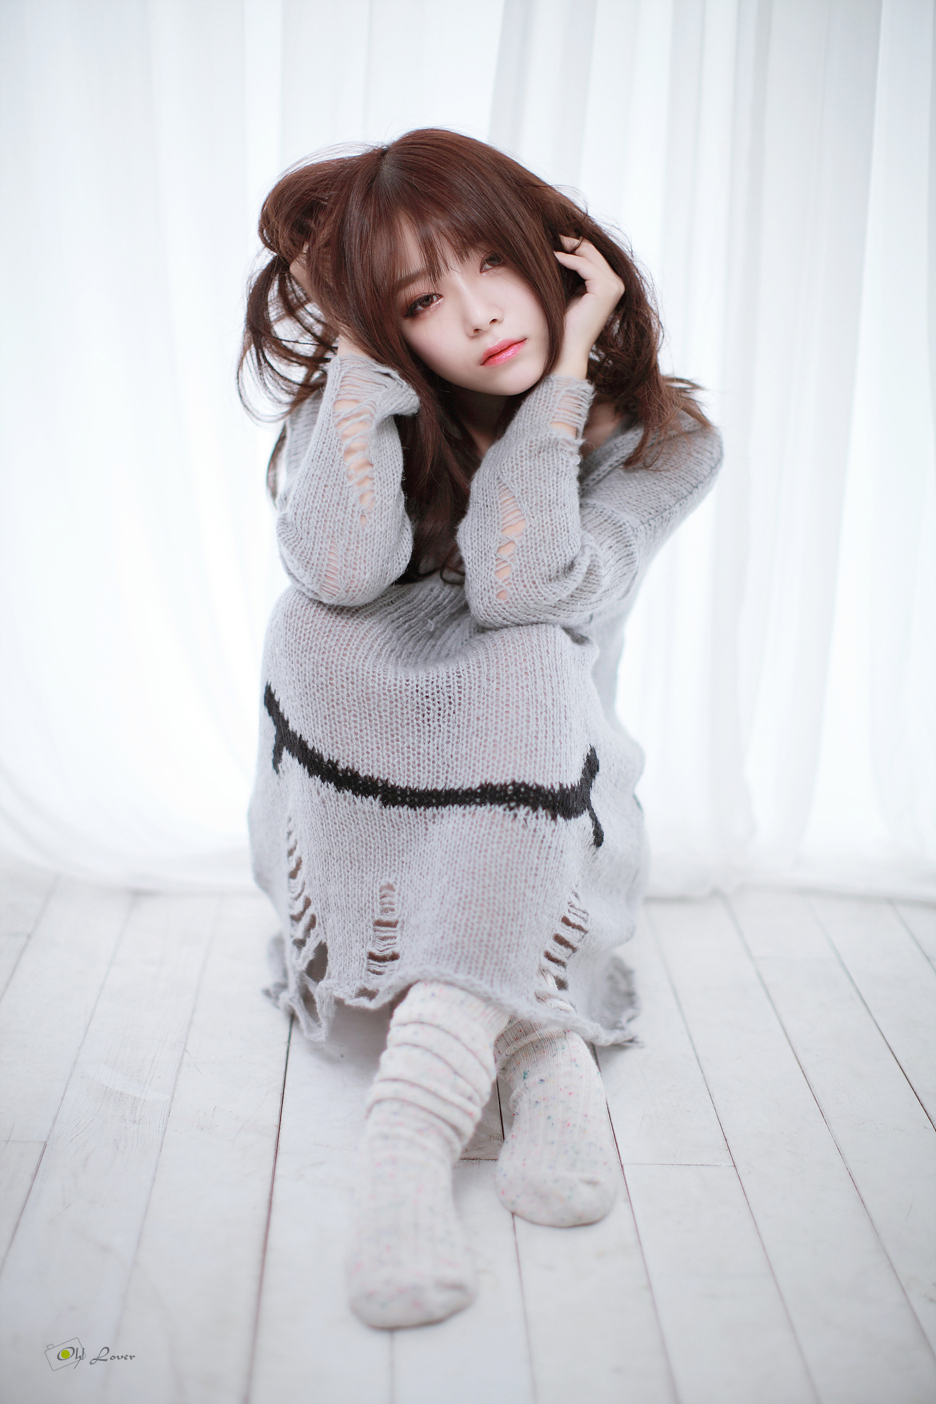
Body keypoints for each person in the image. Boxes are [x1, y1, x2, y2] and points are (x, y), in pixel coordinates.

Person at [240, 128, 722, 1330]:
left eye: (490, 263)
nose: (476, 314)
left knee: (526, 655)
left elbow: (522, 588)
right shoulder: (359, 409)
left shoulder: (662, 443)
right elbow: (337, 571)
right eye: (418, 299)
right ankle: (535, 1042)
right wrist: (362, 360)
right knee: (313, 624)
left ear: (551, 252)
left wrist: (562, 387)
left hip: (552, 796)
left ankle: (411, 1125)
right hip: (369, 789)